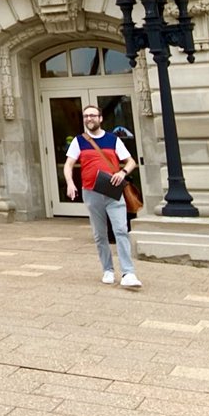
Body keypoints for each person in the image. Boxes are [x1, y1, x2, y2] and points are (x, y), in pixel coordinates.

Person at [63, 105, 142, 290]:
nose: (89, 119)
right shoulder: (79, 141)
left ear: (100, 118)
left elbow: (131, 162)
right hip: (91, 192)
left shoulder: (113, 139)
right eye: (86, 116)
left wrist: (122, 173)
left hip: (113, 192)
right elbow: (68, 165)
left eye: (92, 115)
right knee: (100, 234)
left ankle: (128, 273)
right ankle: (107, 269)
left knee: (121, 230)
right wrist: (70, 182)